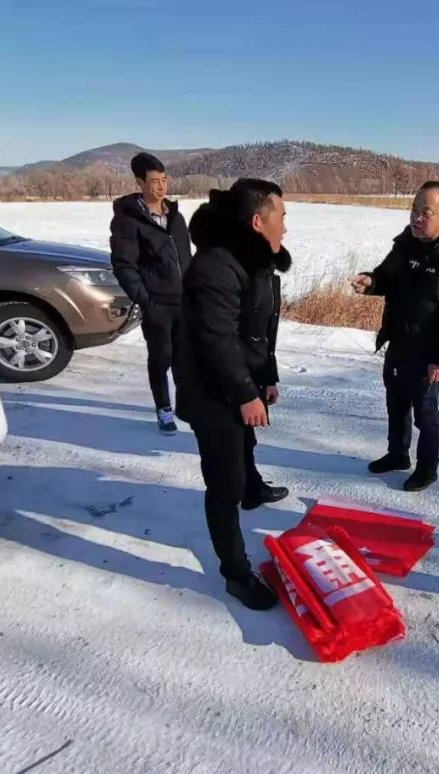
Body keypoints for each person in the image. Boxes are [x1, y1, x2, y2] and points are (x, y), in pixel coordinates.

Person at [173, 180, 291, 610]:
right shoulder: (217, 266)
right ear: (258, 221)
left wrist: (267, 378)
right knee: (224, 483)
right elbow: (217, 338)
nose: (286, 227)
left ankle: (252, 489)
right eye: (282, 216)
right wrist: (245, 393)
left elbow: (260, 330)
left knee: (247, 448)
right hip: (212, 390)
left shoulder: (255, 259)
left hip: (239, 380)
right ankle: (235, 573)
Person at [351, 181, 439, 492]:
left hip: (428, 352)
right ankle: (397, 454)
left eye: (426, 213)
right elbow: (386, 276)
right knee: (396, 403)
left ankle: (427, 468)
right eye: (414, 211)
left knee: (426, 414)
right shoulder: (405, 245)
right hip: (399, 342)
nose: (417, 219)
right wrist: (370, 281)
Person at [109, 152, 192, 434]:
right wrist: (145, 300)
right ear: (140, 183)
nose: (161, 187)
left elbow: (186, 258)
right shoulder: (128, 220)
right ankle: (163, 408)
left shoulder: (176, 217)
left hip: (184, 302)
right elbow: (124, 264)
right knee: (161, 358)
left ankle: (186, 404)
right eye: (154, 181)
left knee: (184, 357)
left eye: (164, 180)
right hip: (156, 304)